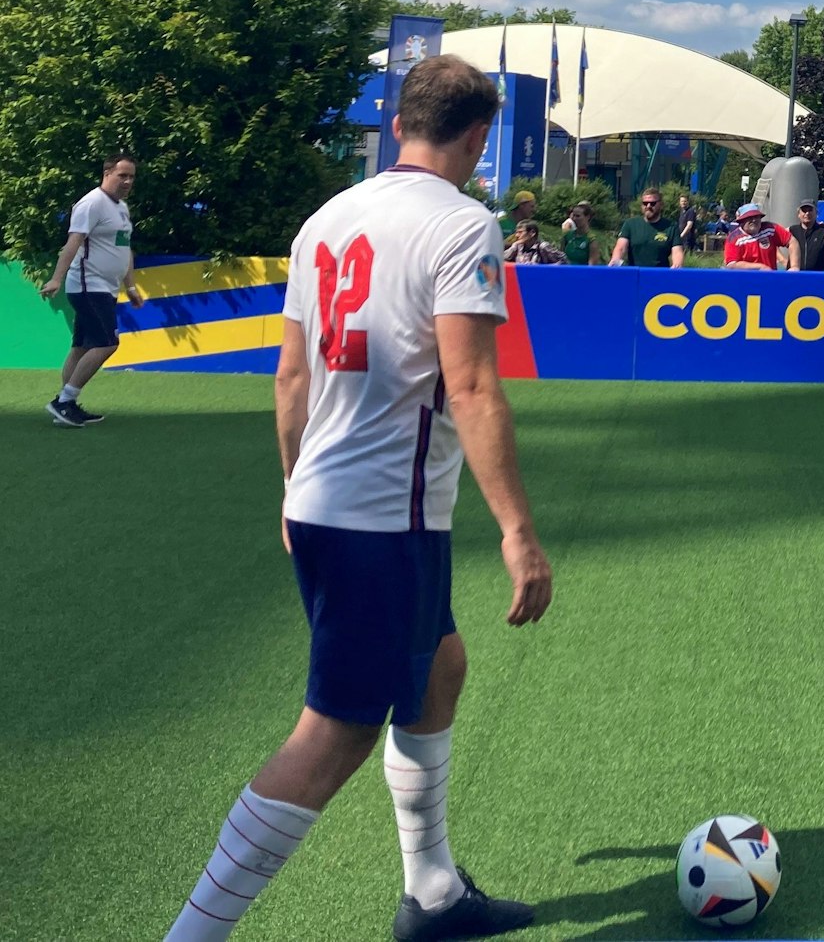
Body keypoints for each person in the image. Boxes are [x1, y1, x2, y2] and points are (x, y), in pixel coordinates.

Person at [162, 55, 551, 942]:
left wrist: (295, 484)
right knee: (332, 735)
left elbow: (291, 375)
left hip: (329, 505)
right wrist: (519, 533)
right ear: (479, 137)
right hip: (386, 517)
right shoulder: (462, 225)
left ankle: (435, 894)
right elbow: (474, 388)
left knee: (438, 670)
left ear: (398, 123)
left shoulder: (327, 219)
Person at [40, 153, 146, 427]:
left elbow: (124, 249)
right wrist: (56, 279)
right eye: (122, 175)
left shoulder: (121, 208)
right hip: (89, 286)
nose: (127, 181)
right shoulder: (92, 203)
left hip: (106, 288)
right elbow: (73, 243)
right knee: (107, 343)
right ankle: (63, 401)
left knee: (81, 347)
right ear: (107, 173)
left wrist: (131, 285)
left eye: (131, 176)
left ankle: (68, 405)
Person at [609, 190, 676, 268]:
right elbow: (621, 247)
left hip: (660, 276)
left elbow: (677, 251)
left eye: (652, 203)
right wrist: (615, 260)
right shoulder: (630, 224)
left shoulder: (671, 226)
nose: (648, 206)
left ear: (661, 205)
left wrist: (677, 266)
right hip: (635, 275)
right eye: (645, 203)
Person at [722, 203, 790, 270]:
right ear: (742, 221)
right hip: (746, 280)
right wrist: (759, 267)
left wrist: (794, 266)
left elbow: (792, 241)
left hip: (770, 278)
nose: (754, 220)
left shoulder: (770, 229)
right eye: (750, 218)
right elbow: (731, 265)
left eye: (756, 217)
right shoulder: (734, 238)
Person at [788, 200, 824, 272]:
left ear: (816, 213)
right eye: (804, 211)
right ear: (798, 214)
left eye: (810, 210)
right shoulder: (792, 230)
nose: (807, 213)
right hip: (795, 277)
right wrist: (783, 260)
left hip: (816, 277)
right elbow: (774, 240)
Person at [502, 221, 568, 265]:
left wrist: (545, 269)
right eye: (516, 232)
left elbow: (563, 260)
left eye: (520, 232)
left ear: (532, 233)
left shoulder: (543, 247)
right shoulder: (518, 247)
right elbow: (501, 260)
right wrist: (514, 246)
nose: (517, 235)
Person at [674, 193, 699, 269]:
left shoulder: (690, 211)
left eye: (685, 201)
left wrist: (681, 235)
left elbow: (689, 225)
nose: (683, 203)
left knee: (687, 257)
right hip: (682, 239)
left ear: (688, 202)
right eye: (682, 201)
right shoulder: (682, 212)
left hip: (688, 239)